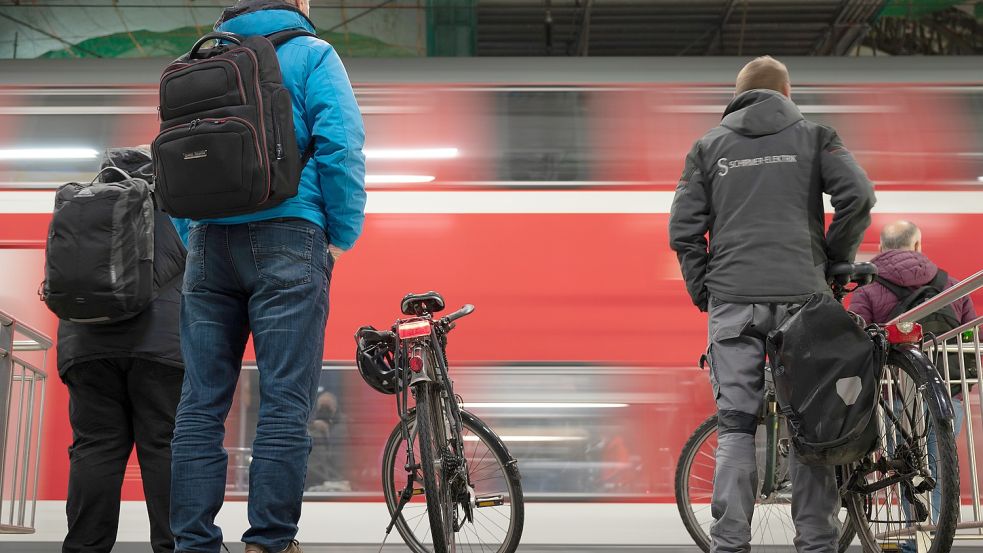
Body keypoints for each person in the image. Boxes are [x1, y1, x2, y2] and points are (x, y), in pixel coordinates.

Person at [167, 1, 366, 552]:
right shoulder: (311, 54)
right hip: (289, 235)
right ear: (296, 6)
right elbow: (341, 146)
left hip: (208, 244)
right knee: (284, 401)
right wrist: (339, 234)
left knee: (201, 403)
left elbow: (176, 165)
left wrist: (195, 237)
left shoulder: (196, 64)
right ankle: (268, 543)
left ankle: (192, 543)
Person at [668, 56, 875, 552]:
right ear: (787, 93)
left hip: (733, 301)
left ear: (738, 94)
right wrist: (832, 261)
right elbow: (859, 198)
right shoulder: (815, 136)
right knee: (810, 425)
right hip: (804, 299)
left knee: (737, 426)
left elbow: (683, 230)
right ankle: (816, 544)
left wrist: (706, 288)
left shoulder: (708, 147)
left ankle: (730, 544)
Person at [57, 148, 186, 553]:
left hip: (85, 343)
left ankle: (84, 548)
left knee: (96, 447)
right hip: (160, 343)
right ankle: (177, 546)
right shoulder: (177, 206)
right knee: (163, 445)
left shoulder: (83, 207)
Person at [848, 220, 976, 549]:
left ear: (882, 248)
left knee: (908, 471)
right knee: (939, 470)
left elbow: (856, 340)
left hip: (893, 399)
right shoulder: (953, 286)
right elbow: (968, 339)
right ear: (918, 246)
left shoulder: (866, 290)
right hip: (947, 395)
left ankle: (916, 543)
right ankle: (934, 538)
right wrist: (959, 392)